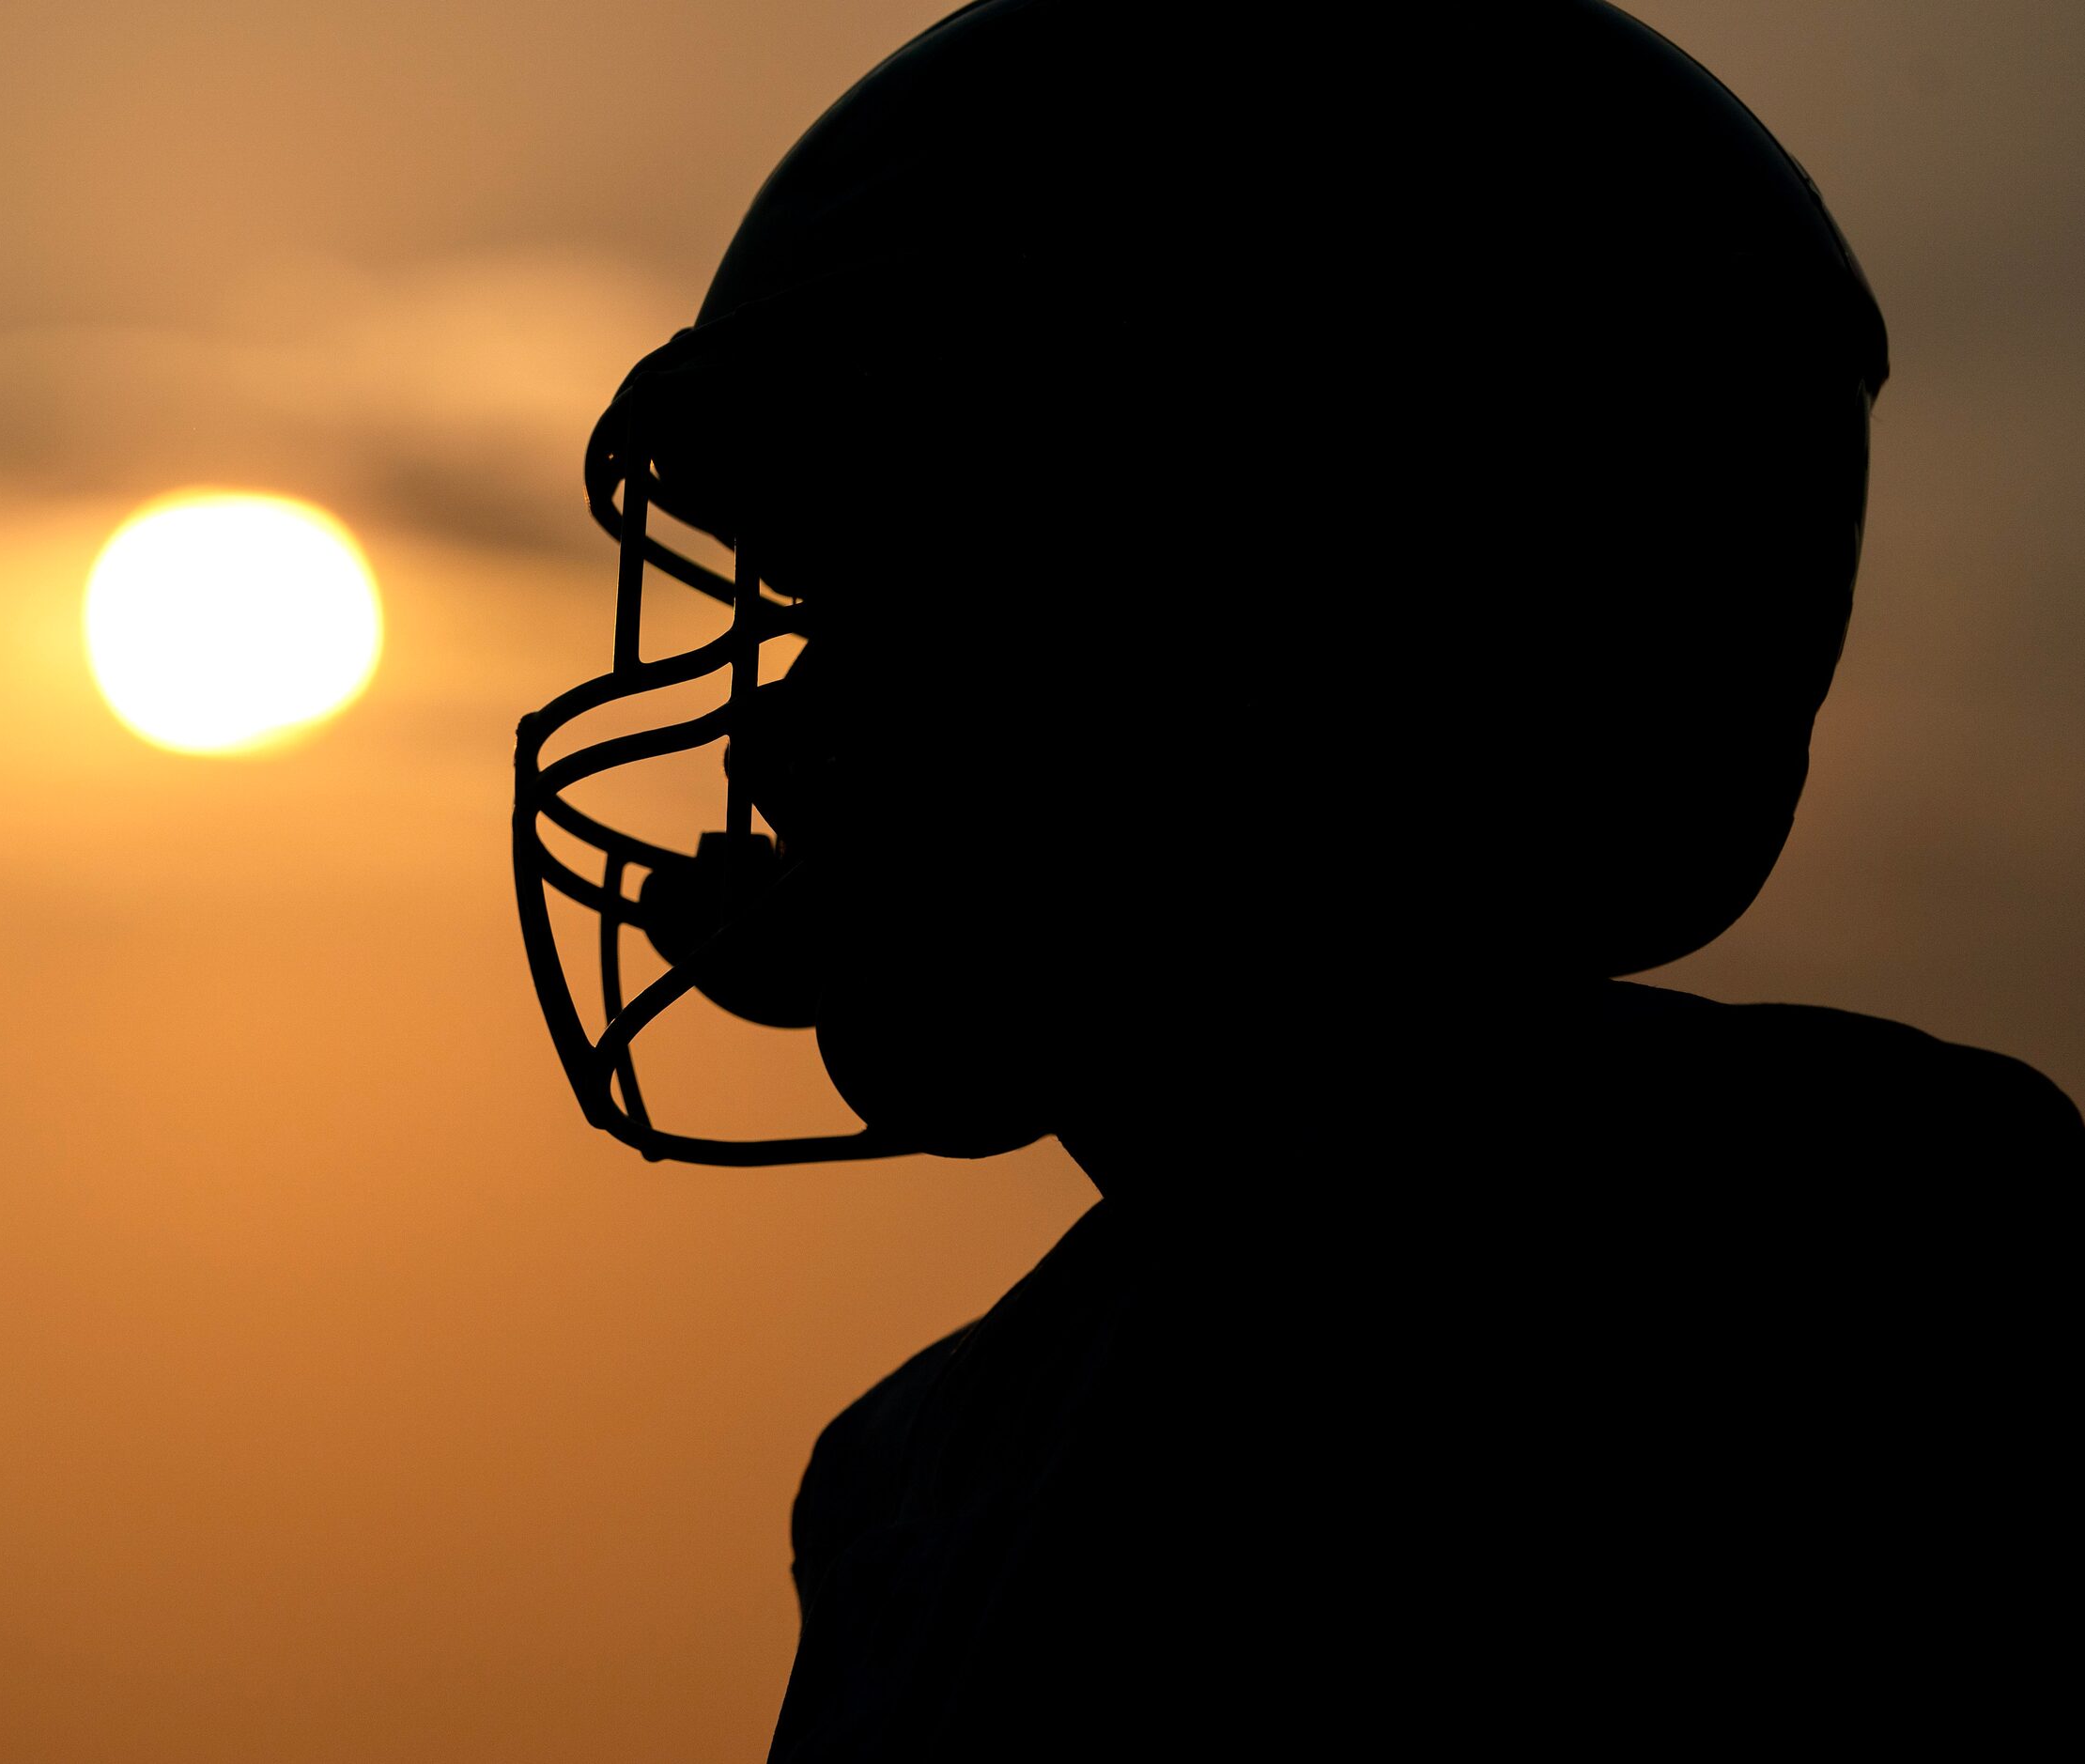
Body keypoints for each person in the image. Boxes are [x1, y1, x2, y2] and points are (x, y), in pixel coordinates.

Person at [509, 2, 2082, 1754]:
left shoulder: (1797, 1339)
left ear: (1305, 615)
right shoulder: (964, 1454)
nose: (784, 737)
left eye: (908, 605)